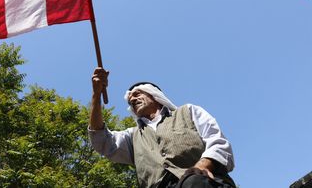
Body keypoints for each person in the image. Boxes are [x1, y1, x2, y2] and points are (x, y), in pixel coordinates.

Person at [88, 68, 236, 188]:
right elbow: (101, 139)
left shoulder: (188, 112)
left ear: (154, 95)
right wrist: (97, 94)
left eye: (137, 94)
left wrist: (203, 167)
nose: (132, 99)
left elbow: (218, 142)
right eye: (129, 100)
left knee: (193, 183)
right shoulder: (132, 137)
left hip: (203, 182)